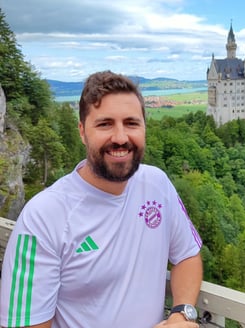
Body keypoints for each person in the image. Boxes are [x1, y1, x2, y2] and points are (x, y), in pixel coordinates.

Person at [0, 71, 203, 328]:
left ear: (144, 127)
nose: (120, 137)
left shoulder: (157, 184)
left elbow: (187, 255)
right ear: (82, 132)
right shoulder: (43, 216)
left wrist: (182, 313)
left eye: (131, 123)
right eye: (105, 124)